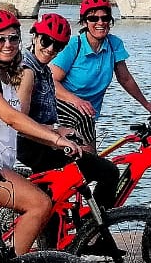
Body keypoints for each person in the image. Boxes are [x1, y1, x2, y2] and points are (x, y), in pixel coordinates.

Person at [0, 9, 78, 263]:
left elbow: (22, 122)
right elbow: (12, 118)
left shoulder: (9, 76)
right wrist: (56, 139)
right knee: (40, 204)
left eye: (13, 38)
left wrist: (57, 133)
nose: (8, 44)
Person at [18, 12, 122, 208]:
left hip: (42, 143)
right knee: (108, 172)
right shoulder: (28, 72)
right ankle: (98, 225)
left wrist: (61, 131)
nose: (50, 49)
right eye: (46, 41)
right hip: (33, 146)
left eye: (57, 46)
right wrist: (57, 132)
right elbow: (20, 123)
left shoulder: (43, 69)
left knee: (56, 198)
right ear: (34, 37)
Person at [50, 0, 151, 151]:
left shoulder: (113, 44)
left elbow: (125, 79)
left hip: (87, 114)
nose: (100, 22)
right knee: (88, 159)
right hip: (62, 108)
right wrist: (76, 101)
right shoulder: (74, 45)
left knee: (89, 156)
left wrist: (147, 104)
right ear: (84, 22)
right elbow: (51, 82)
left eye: (105, 18)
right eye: (93, 19)